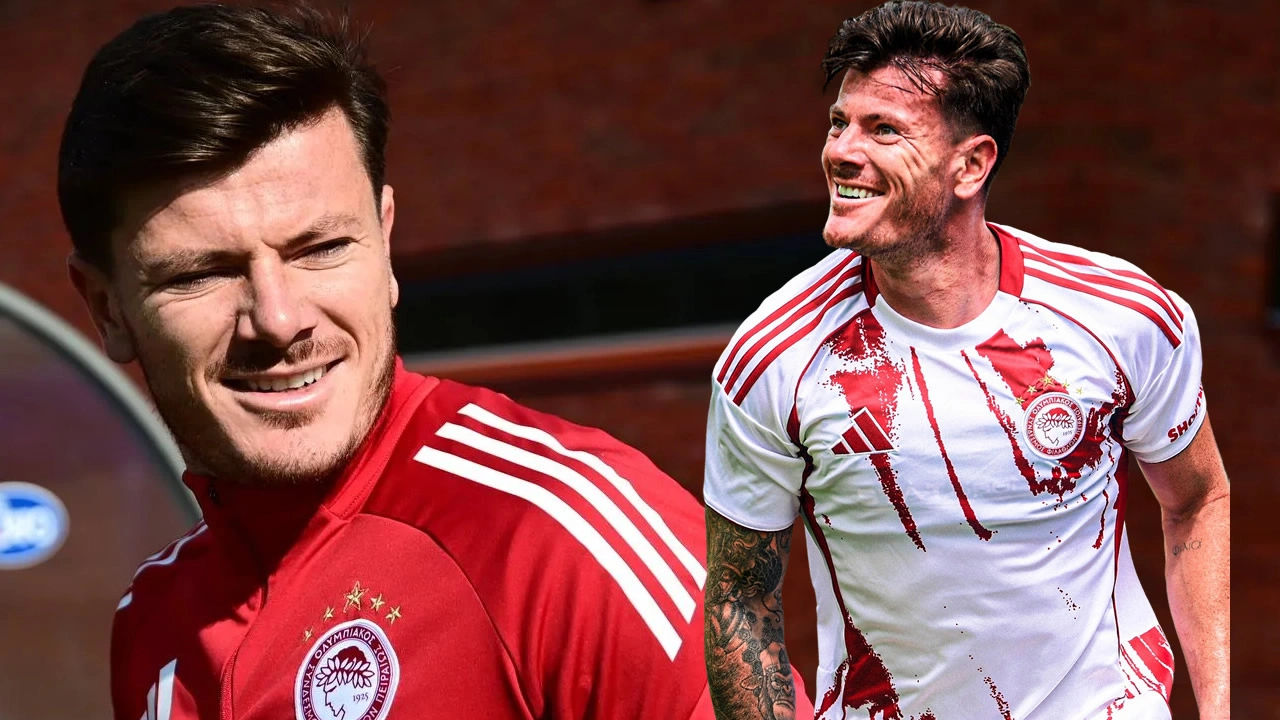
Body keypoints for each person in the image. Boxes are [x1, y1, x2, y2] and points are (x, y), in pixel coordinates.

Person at [59, 5, 817, 719]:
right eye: (201, 274)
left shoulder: (561, 538)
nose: (279, 320)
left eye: (322, 248)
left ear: (386, 243)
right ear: (106, 309)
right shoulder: (153, 617)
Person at [702, 2, 1230, 719]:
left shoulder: (1123, 315)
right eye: (838, 122)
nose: (841, 151)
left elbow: (1197, 500)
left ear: (971, 165)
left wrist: (1217, 709)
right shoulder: (774, 356)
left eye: (884, 129)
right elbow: (741, 596)